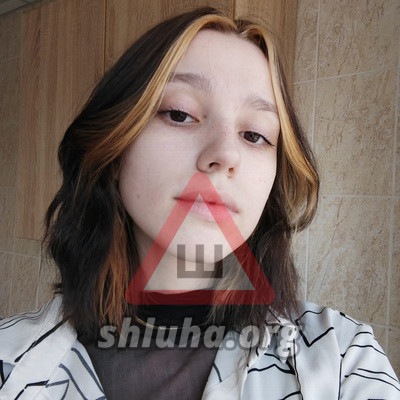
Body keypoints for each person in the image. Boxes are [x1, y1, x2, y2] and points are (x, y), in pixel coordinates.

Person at [0, 7, 399, 400]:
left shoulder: (344, 360)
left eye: (254, 135)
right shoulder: (8, 362)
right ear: (115, 149)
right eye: (179, 114)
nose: (225, 154)